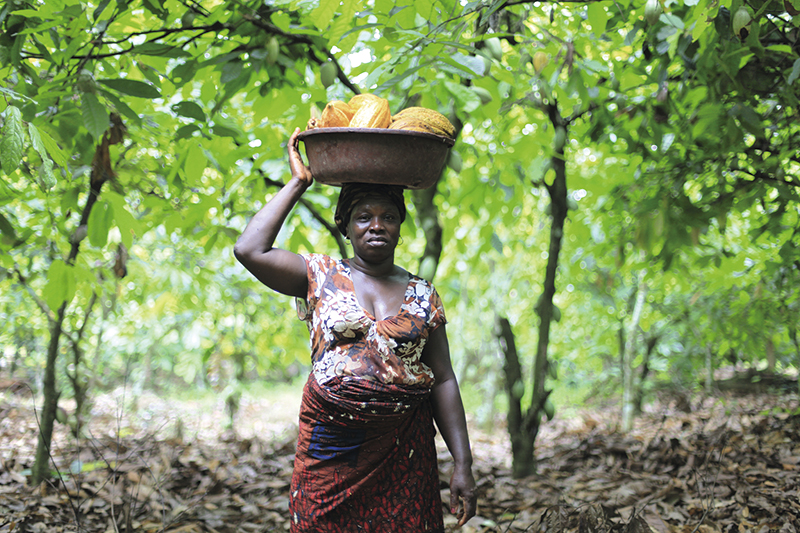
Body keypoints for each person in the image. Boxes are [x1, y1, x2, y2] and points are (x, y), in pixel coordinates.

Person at [234, 127, 477, 533]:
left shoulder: (422, 294)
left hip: (404, 451)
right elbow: (249, 250)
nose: (377, 226)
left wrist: (463, 465)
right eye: (364, 217)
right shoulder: (320, 275)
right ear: (345, 226)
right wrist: (299, 182)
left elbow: (444, 379)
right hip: (332, 450)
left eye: (389, 217)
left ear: (401, 226)